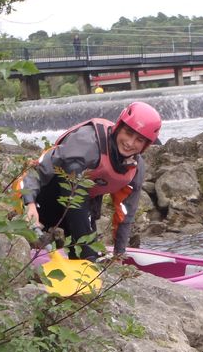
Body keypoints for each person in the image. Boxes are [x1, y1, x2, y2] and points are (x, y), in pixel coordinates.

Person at [19, 102, 161, 261]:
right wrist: (29, 204)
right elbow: (37, 170)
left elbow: (126, 214)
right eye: (128, 133)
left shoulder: (135, 168)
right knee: (74, 174)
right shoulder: (87, 142)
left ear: (146, 145)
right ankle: (87, 256)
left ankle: (83, 257)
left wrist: (118, 254)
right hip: (39, 200)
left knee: (85, 238)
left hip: (78, 211)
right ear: (119, 127)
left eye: (139, 140)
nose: (130, 143)